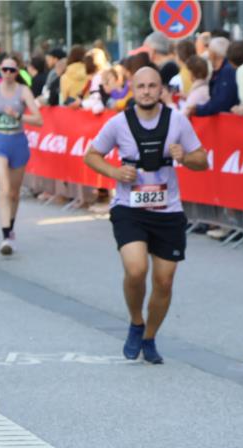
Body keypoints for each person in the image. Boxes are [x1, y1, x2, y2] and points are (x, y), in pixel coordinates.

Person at [84, 67, 208, 365]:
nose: (147, 91)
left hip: (168, 211)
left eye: (152, 86)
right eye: (141, 86)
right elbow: (91, 155)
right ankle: (136, 321)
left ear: (161, 88)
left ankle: (149, 337)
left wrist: (185, 157)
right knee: (136, 269)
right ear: (133, 89)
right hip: (130, 209)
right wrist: (114, 172)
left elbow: (202, 160)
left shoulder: (177, 120)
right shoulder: (119, 123)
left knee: (164, 282)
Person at [0, 56, 43, 255]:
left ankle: (10, 228)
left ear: (17, 72)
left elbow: (39, 119)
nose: (7, 73)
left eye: (11, 70)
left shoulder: (23, 91)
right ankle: (6, 237)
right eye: (4, 69)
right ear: (0, 71)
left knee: (14, 193)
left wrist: (18, 116)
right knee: (4, 189)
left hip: (18, 142)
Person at [190, 37, 238, 116]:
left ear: (213, 53)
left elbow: (222, 101)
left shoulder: (227, 71)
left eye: (209, 50)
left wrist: (199, 109)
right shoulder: (220, 71)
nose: (208, 54)